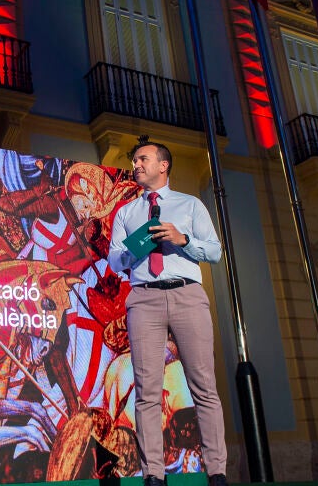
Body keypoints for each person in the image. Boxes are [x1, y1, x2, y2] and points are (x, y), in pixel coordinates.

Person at [106, 141, 227, 486]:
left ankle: (217, 471)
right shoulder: (127, 213)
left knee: (203, 385)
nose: (136, 164)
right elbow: (115, 261)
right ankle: (154, 475)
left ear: (163, 165)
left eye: (142, 159)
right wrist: (139, 245)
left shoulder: (190, 205)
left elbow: (214, 251)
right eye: (134, 160)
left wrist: (182, 238)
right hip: (144, 298)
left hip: (186, 294)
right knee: (147, 390)